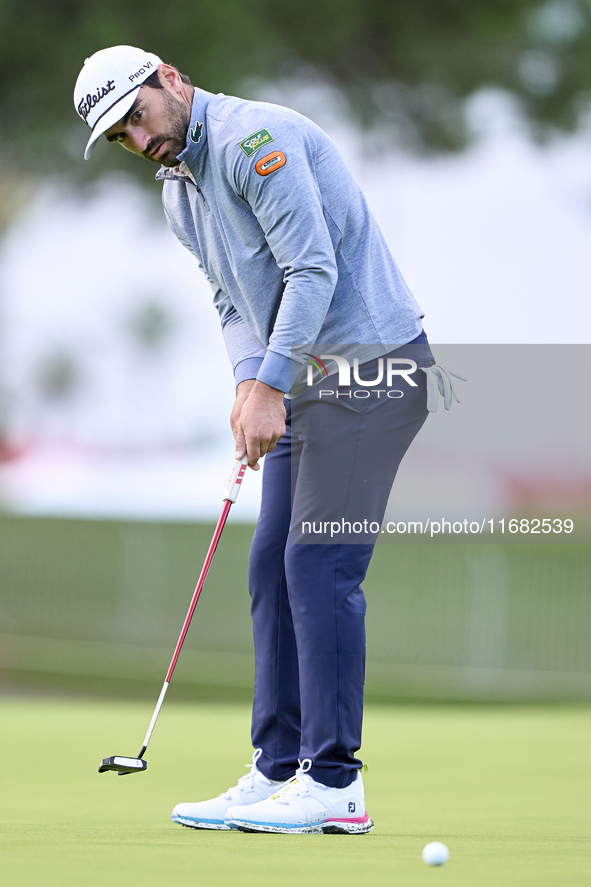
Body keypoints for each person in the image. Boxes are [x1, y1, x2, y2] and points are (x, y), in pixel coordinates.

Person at [74, 44, 438, 835]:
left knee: (319, 562)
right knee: (271, 563)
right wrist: (250, 383)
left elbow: (311, 271)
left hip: (374, 368)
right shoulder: (179, 189)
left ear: (169, 79)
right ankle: (277, 768)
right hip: (304, 381)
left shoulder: (251, 143)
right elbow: (228, 297)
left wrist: (269, 384)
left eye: (136, 117)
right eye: (120, 138)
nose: (139, 141)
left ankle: (334, 784)